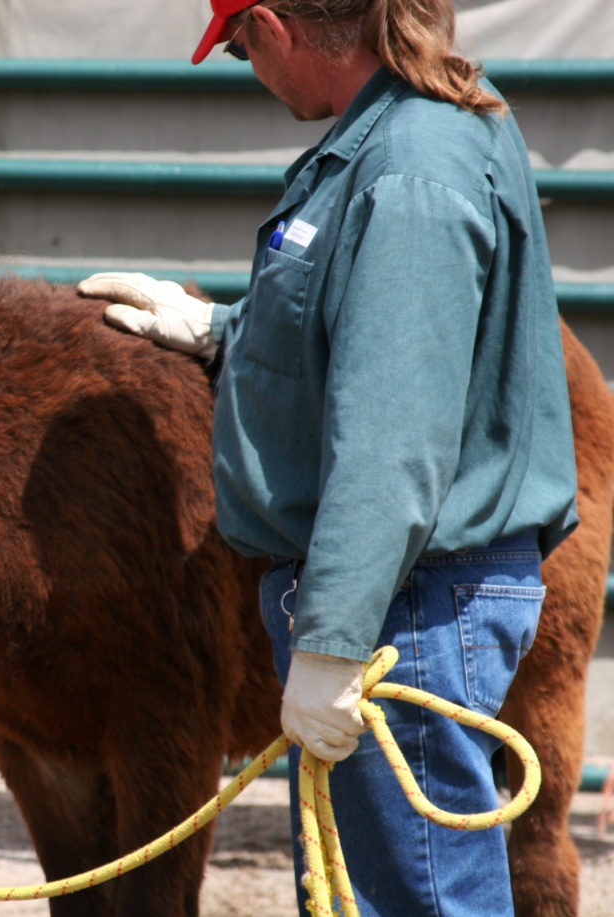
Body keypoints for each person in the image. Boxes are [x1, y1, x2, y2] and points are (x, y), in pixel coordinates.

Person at [78, 0, 579, 914]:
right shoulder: (410, 133)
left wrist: (337, 640)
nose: (250, 70)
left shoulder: (409, 171)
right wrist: (221, 332)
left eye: (238, 51)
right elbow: (369, 344)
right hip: (406, 597)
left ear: (272, 27)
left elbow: (394, 440)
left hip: (408, 607)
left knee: (409, 902)